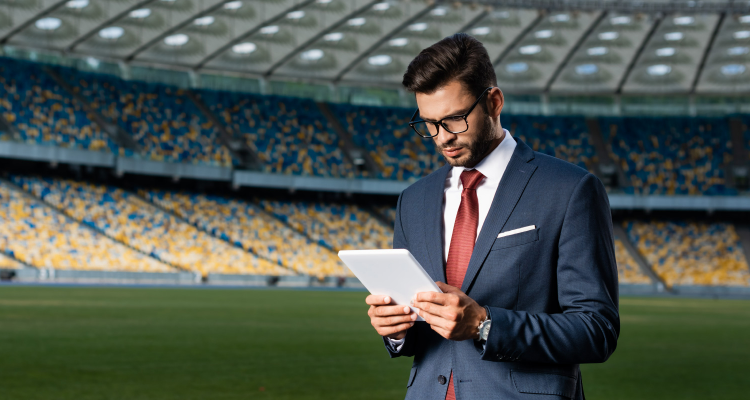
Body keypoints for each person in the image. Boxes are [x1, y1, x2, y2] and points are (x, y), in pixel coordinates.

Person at [365, 33, 619, 400]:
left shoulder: (570, 189)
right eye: (429, 124)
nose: (442, 138)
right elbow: (423, 330)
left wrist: (485, 324)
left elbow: (597, 330)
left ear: (494, 102)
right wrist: (396, 330)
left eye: (454, 120)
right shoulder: (413, 200)